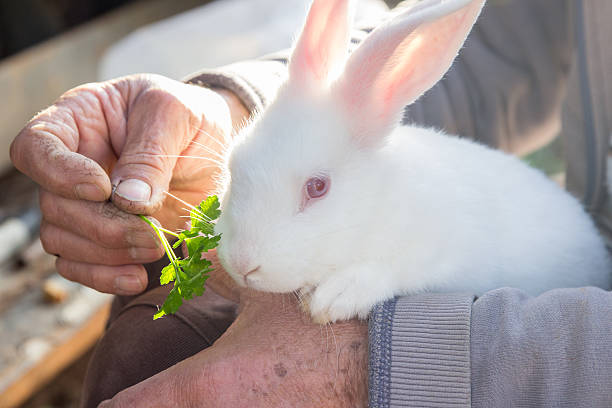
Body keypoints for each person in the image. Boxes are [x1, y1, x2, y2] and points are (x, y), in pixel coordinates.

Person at [10, 0, 612, 406]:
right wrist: (229, 108)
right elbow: (494, 56)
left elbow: (460, 250)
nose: (242, 254)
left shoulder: (415, 198)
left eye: (316, 191)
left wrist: (385, 340)